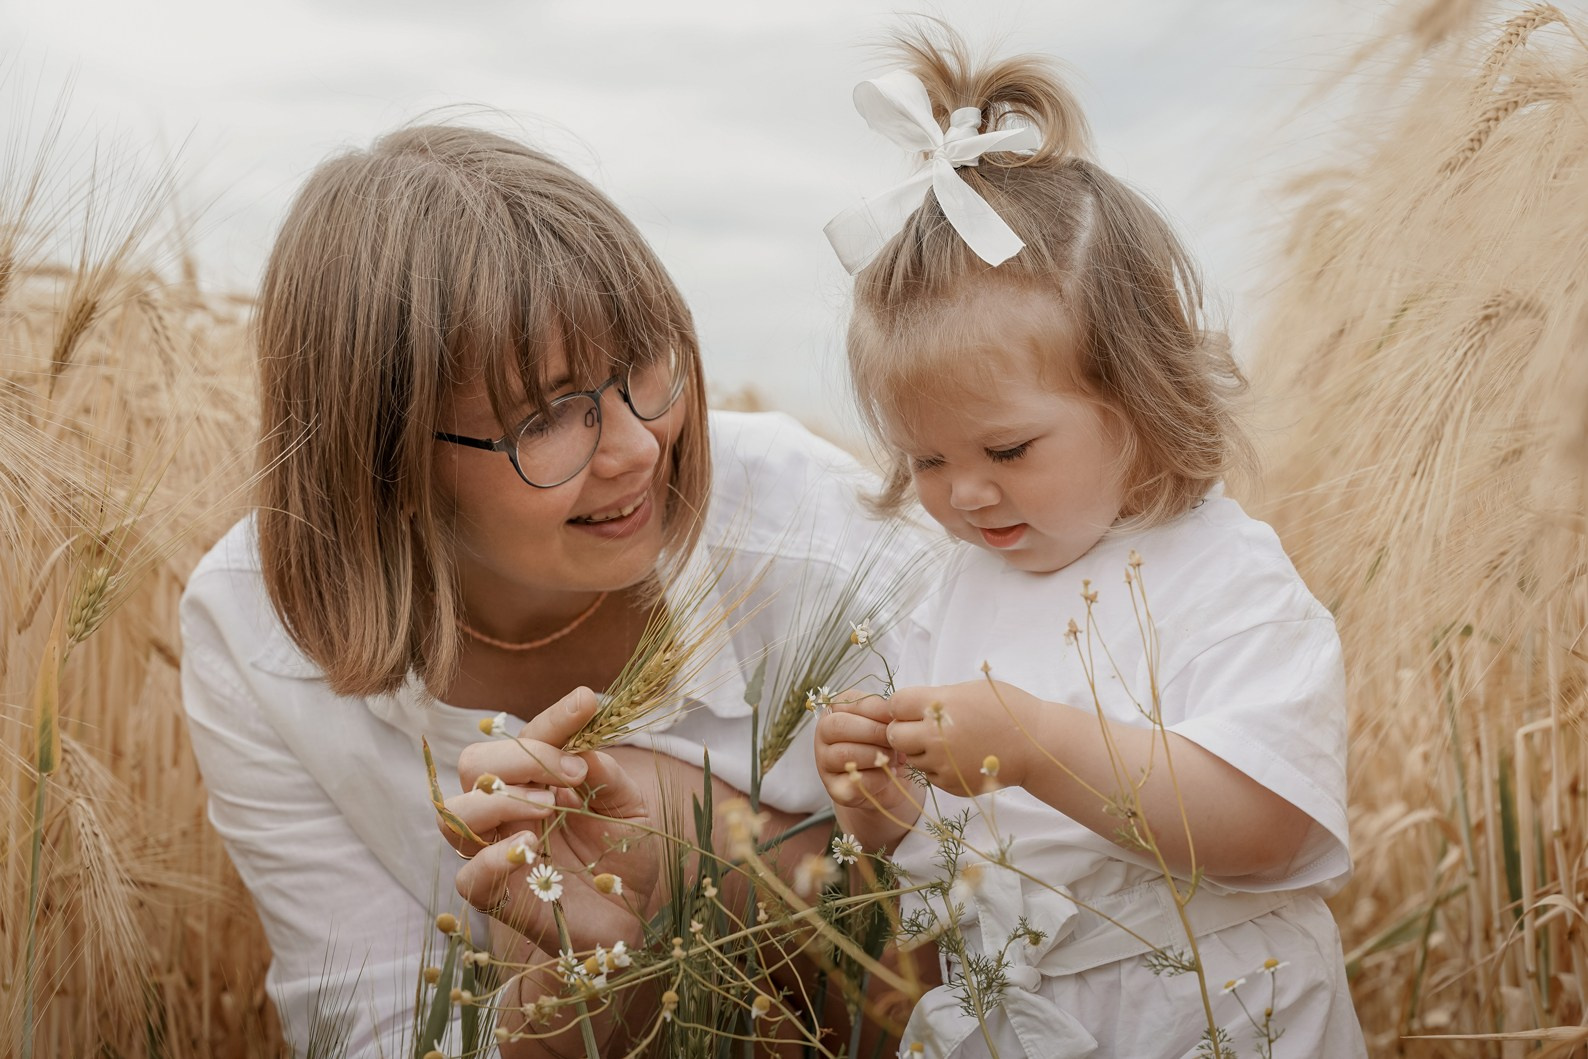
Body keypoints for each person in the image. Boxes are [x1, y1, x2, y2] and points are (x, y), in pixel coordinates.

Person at [179, 123, 934, 1058]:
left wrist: (707, 850)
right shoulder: (250, 627)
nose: (637, 447)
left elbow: (1026, 958)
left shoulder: (821, 532)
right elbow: (369, 1034)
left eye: (647, 365)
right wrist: (566, 991)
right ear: (384, 458)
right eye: (546, 416)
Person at [812, 27, 1365, 1058]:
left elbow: (1269, 830)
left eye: (1007, 447)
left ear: (1138, 394)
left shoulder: (1221, 575)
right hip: (1014, 1017)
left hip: (1215, 1010)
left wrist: (1037, 742)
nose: (965, 491)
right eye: (924, 460)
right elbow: (952, 862)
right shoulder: (950, 593)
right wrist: (886, 814)